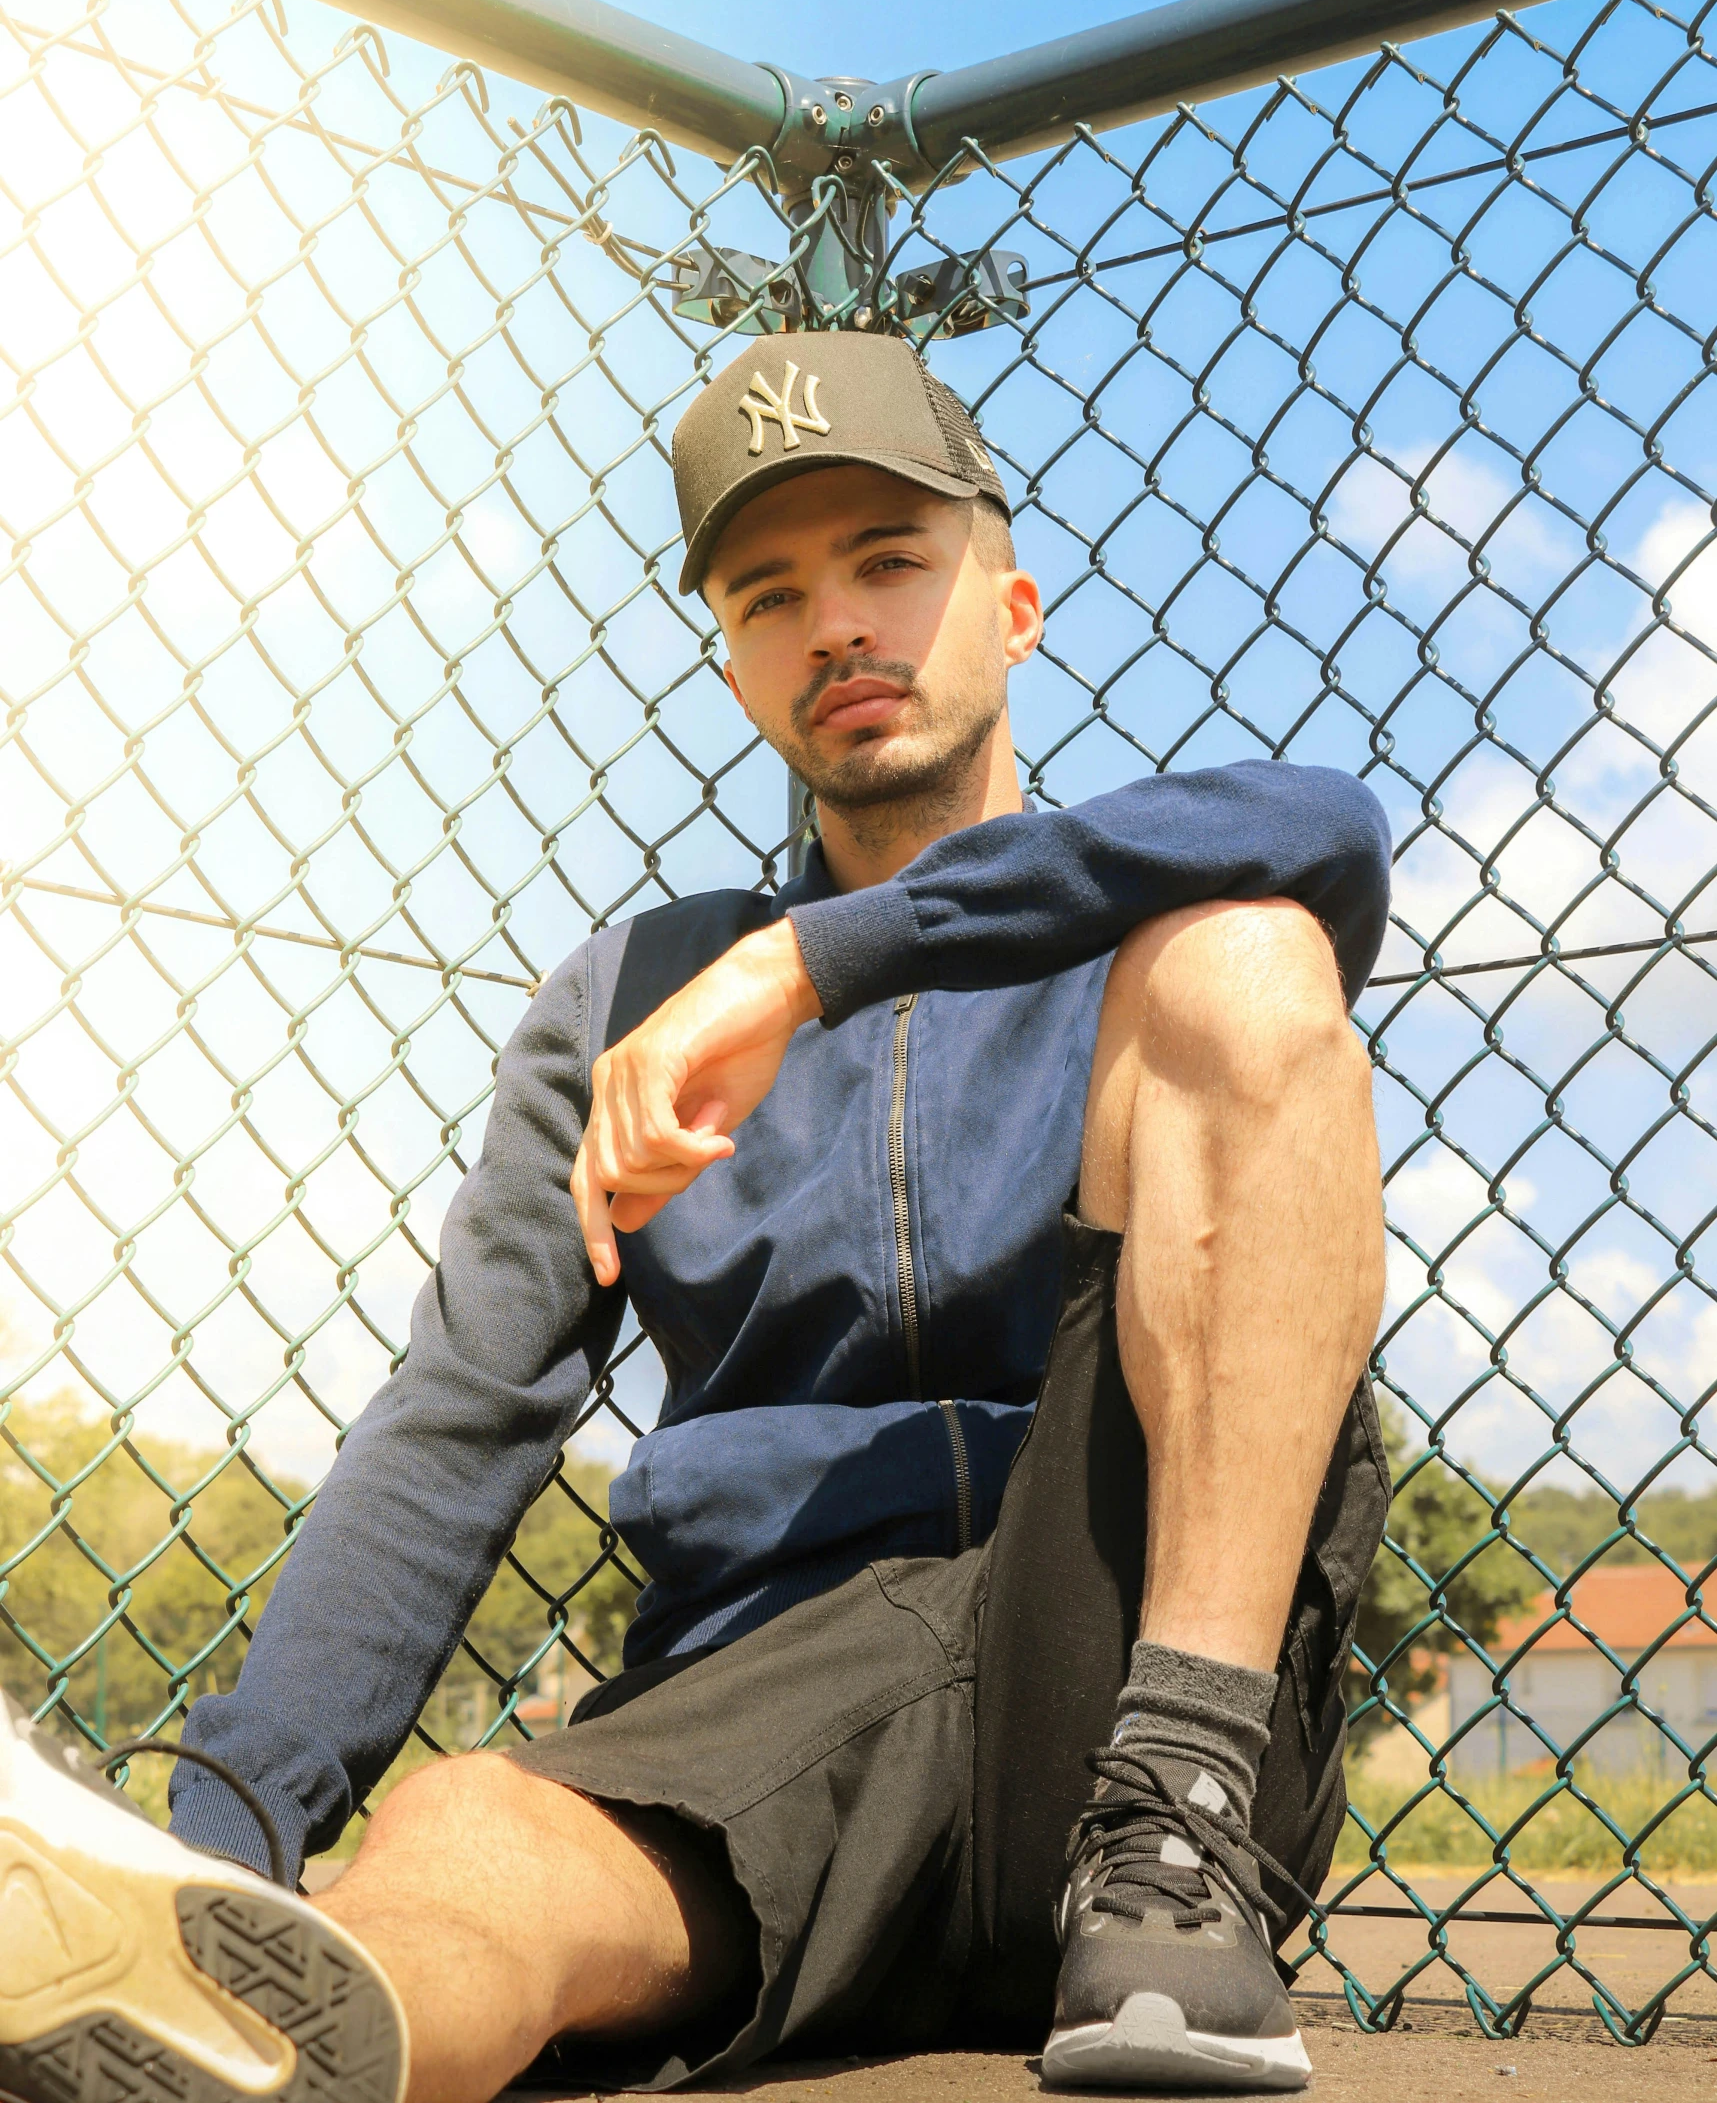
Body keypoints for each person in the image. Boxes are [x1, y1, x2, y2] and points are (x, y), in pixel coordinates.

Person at [1, 331, 1392, 2102]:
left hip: (1120, 1692)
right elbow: (457, 1421)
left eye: (891, 562)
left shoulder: (1144, 913)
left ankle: (1178, 1850)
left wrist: (812, 964)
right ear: (735, 662)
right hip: (770, 1716)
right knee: (461, 1858)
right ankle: (207, 2028)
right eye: (771, 594)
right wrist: (231, 1818)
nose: (838, 627)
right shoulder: (618, 1005)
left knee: (1254, 959)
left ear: (1015, 602)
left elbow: (1328, 828)